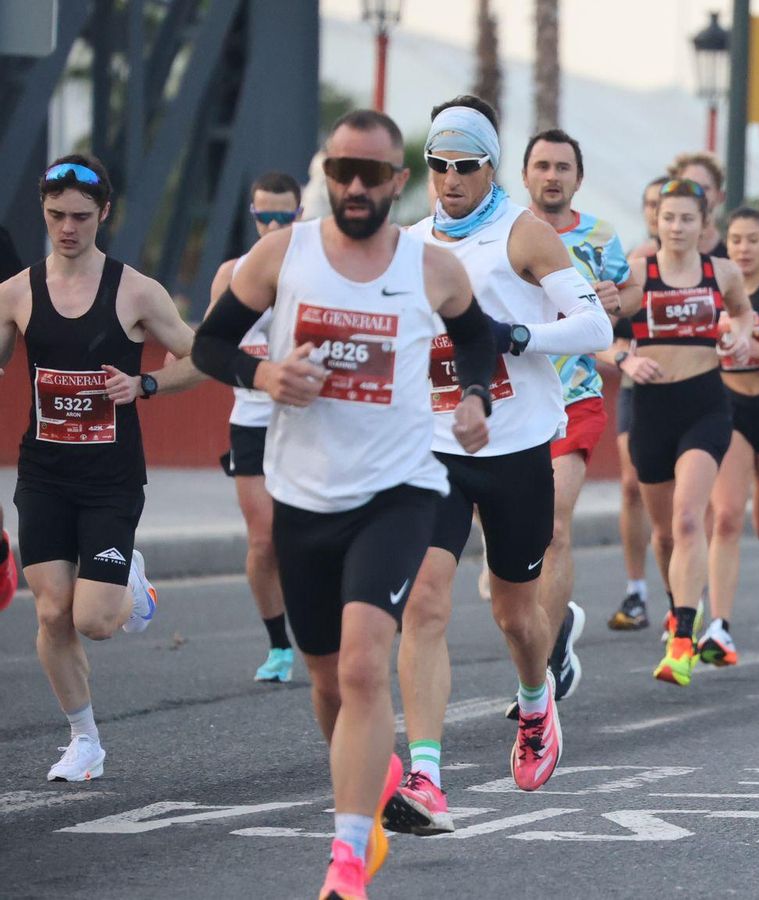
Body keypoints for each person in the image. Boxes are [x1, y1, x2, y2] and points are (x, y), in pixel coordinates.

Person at [190, 108, 501, 898]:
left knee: (365, 667)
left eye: (372, 174)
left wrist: (471, 400)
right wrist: (262, 377)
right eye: (342, 172)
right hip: (304, 498)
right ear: (324, 177)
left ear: (398, 181)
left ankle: (347, 859)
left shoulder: (430, 266)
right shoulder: (281, 255)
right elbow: (209, 343)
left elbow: (477, 339)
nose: (356, 187)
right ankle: (376, 776)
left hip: (399, 491)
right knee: (329, 684)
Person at [385, 102, 615, 840]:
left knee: (516, 614)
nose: (450, 181)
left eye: (466, 167)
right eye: (439, 166)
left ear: (490, 167)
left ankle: (535, 697)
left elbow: (595, 327)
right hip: (432, 449)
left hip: (515, 450)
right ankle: (426, 775)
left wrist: (516, 335)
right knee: (422, 605)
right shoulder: (408, 244)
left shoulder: (522, 232)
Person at [0, 155, 203, 781]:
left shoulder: (136, 290)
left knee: (95, 621)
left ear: (103, 214)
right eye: (57, 215)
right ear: (43, 210)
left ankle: (132, 587)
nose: (68, 228)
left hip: (111, 479)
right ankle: (84, 741)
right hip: (43, 474)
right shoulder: (15, 293)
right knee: (51, 611)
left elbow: (202, 357)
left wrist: (143, 383)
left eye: (81, 217)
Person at [520, 126, 637, 700]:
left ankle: (539, 672)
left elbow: (627, 298)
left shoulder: (602, 236)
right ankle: (557, 624)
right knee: (506, 554)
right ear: (524, 176)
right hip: (509, 406)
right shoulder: (503, 237)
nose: (551, 176)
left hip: (575, 398)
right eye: (541, 166)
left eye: (562, 167)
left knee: (553, 527)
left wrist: (614, 304)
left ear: (577, 178)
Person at [620, 179, 753, 685]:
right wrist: (624, 359)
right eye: (668, 217)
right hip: (651, 410)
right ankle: (679, 608)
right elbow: (595, 333)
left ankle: (681, 637)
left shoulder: (721, 271)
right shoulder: (636, 272)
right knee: (664, 533)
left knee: (689, 519)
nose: (676, 227)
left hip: (704, 404)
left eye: (687, 219)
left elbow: (743, 314)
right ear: (656, 220)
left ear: (704, 224)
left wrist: (739, 336)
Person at [208, 171, 303, 683]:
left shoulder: (317, 271)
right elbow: (210, 348)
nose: (270, 226)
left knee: (313, 534)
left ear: (300, 215)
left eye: (281, 217)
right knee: (263, 540)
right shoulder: (233, 273)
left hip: (307, 421)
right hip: (250, 420)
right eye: (262, 216)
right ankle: (279, 647)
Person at [702, 208, 759, 661]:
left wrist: (756, 347)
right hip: (729, 408)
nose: (742, 247)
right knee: (725, 518)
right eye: (735, 239)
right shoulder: (715, 289)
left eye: (752, 239)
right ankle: (719, 626)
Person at [610, 175, 671, 628]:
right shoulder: (631, 265)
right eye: (650, 204)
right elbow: (607, 332)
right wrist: (626, 359)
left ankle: (684, 593)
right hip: (639, 388)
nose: (656, 212)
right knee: (632, 485)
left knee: (684, 504)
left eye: (664, 204)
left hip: (697, 393)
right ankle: (636, 591)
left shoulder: (706, 266)